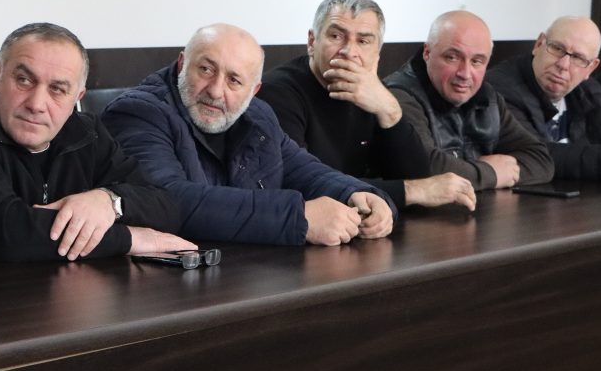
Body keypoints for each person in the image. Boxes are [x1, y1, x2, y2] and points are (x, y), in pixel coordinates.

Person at [0, 22, 193, 262]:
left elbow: (165, 206)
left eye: (57, 89)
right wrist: (129, 238)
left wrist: (109, 201)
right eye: (24, 80)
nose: (36, 104)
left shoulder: (87, 132)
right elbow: (8, 234)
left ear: (77, 98)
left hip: (67, 296)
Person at [102, 23, 396, 247]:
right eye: (205, 70)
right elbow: (165, 202)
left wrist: (357, 193)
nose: (216, 90)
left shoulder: (257, 113)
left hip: (243, 275)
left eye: (234, 80)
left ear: (253, 90)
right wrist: (299, 217)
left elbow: (301, 168)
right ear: (182, 64)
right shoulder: (137, 112)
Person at [258, 0, 476, 210]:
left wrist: (389, 109)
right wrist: (412, 191)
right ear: (312, 42)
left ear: (377, 53)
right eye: (336, 36)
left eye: (363, 41)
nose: (349, 51)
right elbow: (301, 185)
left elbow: (417, 176)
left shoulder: (371, 91)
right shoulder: (278, 93)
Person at [384, 11, 553, 189]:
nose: (465, 74)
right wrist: (491, 173)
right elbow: (425, 168)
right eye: (452, 57)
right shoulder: (398, 96)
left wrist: (480, 172)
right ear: (427, 52)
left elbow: (541, 160)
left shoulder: (488, 98)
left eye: (477, 61)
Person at [488, 16, 601, 181]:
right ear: (539, 44)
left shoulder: (589, 91)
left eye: (578, 58)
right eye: (557, 48)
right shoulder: (500, 89)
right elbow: (539, 156)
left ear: (591, 68)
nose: (563, 65)